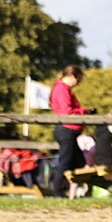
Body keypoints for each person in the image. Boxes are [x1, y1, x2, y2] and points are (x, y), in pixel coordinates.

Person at [48, 65, 94, 197]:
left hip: (70, 130)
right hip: (67, 129)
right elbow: (66, 111)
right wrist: (83, 111)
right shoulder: (62, 89)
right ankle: (57, 192)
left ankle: (72, 191)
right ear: (73, 77)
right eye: (78, 80)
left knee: (78, 162)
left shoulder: (63, 89)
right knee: (64, 162)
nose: (78, 84)